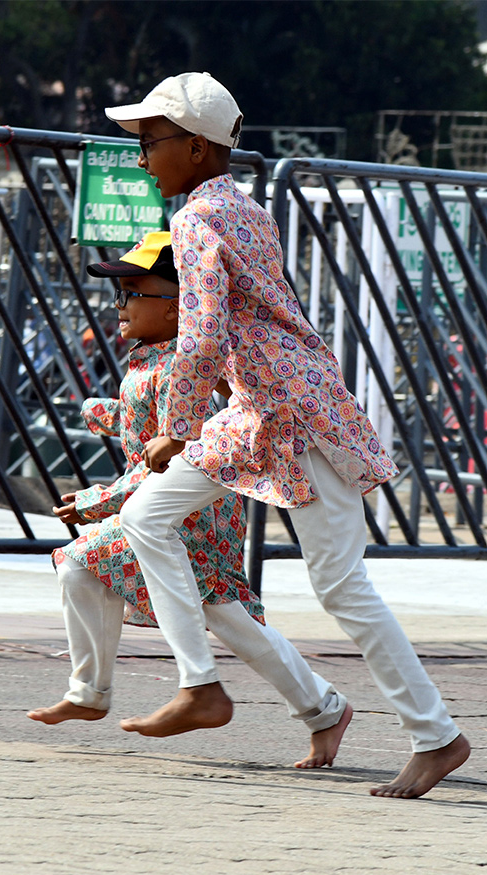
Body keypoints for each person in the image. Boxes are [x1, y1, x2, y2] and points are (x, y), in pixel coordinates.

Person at [104, 73, 470, 798]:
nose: (142, 157)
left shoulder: (198, 221)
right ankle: (201, 686)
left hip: (292, 415)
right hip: (260, 410)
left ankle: (437, 736)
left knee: (341, 585)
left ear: (200, 150)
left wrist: (175, 430)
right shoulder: (244, 208)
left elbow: (202, 333)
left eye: (151, 142)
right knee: (146, 516)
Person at [27, 231, 352, 769]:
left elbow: (177, 455)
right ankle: (323, 708)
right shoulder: (152, 358)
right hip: (169, 509)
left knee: (82, 563)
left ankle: (97, 694)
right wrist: (102, 412)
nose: (120, 306)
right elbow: (146, 423)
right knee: (226, 618)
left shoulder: (188, 365)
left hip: (189, 512)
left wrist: (98, 501)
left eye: (132, 293)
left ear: (180, 302)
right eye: (120, 294)